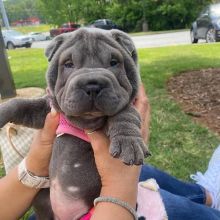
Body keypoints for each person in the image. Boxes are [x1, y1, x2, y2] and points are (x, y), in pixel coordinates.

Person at [0, 84, 219, 220]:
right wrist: (118, 187)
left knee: (141, 173)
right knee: (160, 201)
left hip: (47, 206)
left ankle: (206, 195)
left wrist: (32, 168)